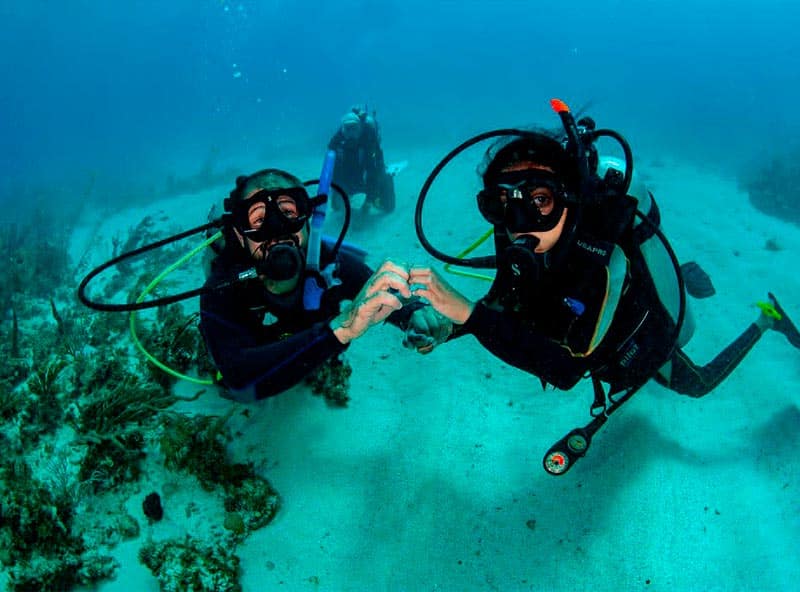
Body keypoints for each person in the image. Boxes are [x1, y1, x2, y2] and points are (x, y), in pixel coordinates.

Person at [407, 112, 800, 472]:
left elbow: (566, 369)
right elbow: (503, 299)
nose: (521, 219)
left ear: (567, 199)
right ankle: (679, 273)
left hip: (630, 336)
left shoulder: (602, 256)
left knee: (697, 385)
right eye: (504, 201)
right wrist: (446, 326)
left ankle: (768, 319)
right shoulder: (516, 232)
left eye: (539, 199)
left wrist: (469, 317)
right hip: (584, 312)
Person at [199, 167, 447, 402]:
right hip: (260, 358)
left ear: (308, 221)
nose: (276, 229)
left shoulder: (331, 267)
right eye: (258, 219)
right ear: (240, 235)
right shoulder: (222, 287)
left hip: (305, 346)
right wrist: (339, 330)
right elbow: (240, 382)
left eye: (288, 212)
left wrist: (411, 312)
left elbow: (376, 291)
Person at [327, 105, 396, 216]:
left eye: (354, 129)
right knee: (336, 207)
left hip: (369, 173)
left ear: (360, 128)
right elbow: (333, 171)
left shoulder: (369, 140)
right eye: (347, 129)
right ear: (343, 129)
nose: (350, 134)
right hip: (352, 174)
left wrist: (367, 204)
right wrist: (340, 193)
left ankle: (387, 178)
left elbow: (374, 172)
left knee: (388, 207)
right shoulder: (337, 141)